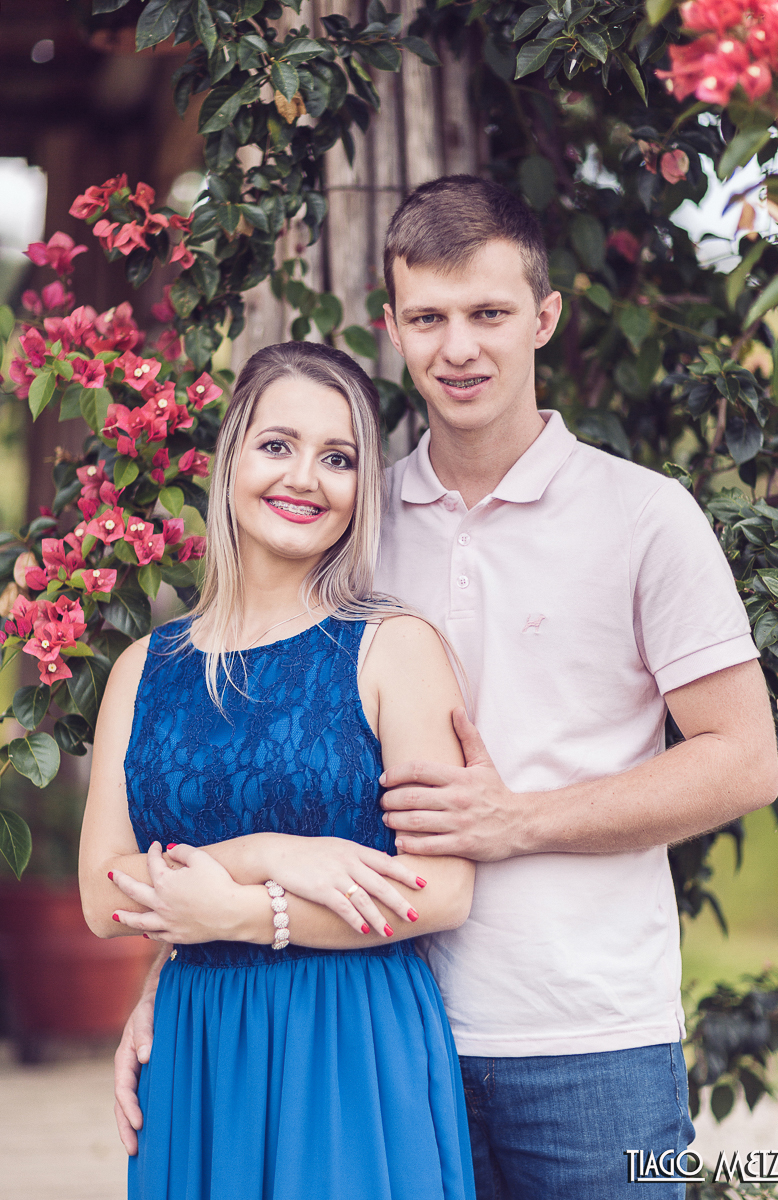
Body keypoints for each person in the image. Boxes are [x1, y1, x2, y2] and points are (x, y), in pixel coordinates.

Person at [114, 177, 778, 1198]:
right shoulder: (350, 527)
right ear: (391, 327)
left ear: (544, 318)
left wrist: (515, 821)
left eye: (488, 314)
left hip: (587, 1035)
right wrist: (176, 967)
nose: (457, 347)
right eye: (428, 317)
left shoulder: (644, 517)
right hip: (383, 1029)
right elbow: (259, 772)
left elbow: (742, 761)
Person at [78, 341, 477, 1200]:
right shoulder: (143, 669)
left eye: (338, 459)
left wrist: (238, 909)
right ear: (231, 460)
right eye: (277, 445)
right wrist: (269, 852)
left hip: (350, 1039)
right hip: (198, 1042)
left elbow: (441, 892)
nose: (305, 477)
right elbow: (103, 899)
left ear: (360, 491)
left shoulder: (391, 649)